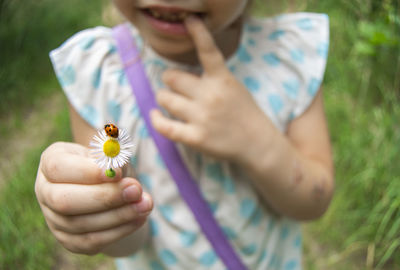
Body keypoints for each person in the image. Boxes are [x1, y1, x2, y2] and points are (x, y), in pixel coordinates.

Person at [35, 0, 334, 269]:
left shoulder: (289, 56)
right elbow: (126, 242)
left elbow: (315, 201)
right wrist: (102, 213)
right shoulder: (98, 75)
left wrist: (255, 139)